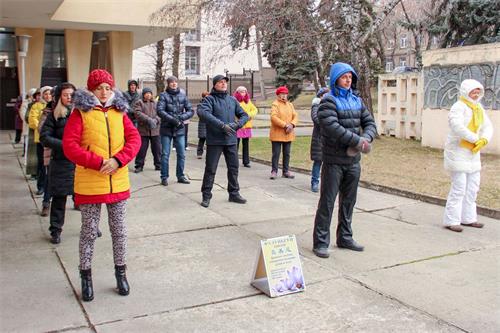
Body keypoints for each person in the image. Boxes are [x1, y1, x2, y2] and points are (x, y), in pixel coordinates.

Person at [62, 69, 141, 302]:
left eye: (108, 87)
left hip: (117, 182)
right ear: (91, 90)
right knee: (88, 232)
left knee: (119, 231)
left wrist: (118, 159)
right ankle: (86, 276)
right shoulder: (81, 113)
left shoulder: (120, 111)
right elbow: (70, 146)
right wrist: (98, 163)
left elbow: (134, 138)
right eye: (99, 88)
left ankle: (121, 273)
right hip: (90, 184)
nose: (104, 92)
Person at [312, 62, 377, 258]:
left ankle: (345, 237)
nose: (348, 80)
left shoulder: (357, 100)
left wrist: (366, 138)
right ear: (335, 79)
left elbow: (370, 122)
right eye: (344, 77)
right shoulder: (328, 101)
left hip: (353, 162)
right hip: (334, 161)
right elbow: (332, 127)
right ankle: (321, 242)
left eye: (350, 77)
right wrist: (358, 141)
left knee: (349, 202)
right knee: (328, 202)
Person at [442, 79, 493, 232]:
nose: (476, 94)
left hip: (473, 153)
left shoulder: (478, 108)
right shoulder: (458, 107)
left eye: (478, 91)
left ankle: (469, 218)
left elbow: (487, 126)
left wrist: (484, 139)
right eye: (473, 91)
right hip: (457, 152)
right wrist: (475, 138)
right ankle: (452, 220)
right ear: (466, 91)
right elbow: (457, 126)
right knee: (459, 187)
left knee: (472, 187)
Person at [197, 75, 249, 208]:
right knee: (210, 169)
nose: (223, 84)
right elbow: (203, 113)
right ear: (215, 85)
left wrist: (236, 126)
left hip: (231, 140)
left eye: (225, 82)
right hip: (215, 140)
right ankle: (206, 195)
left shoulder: (232, 100)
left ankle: (234, 193)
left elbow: (244, 115)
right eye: (220, 82)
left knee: (233, 168)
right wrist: (221, 125)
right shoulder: (209, 99)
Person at [40, 83, 76, 244]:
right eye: (65, 94)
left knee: (87, 197)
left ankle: (92, 226)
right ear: (59, 96)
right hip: (61, 161)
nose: (69, 97)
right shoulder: (53, 115)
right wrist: (65, 145)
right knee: (60, 198)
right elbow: (44, 137)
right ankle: (55, 230)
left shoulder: (82, 113)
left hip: (80, 162)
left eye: (71, 94)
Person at [157, 76, 193, 186]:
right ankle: (164, 176)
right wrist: (172, 119)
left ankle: (180, 175)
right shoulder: (163, 96)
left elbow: (190, 110)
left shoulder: (183, 96)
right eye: (171, 82)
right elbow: (160, 110)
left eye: (175, 82)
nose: (174, 84)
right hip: (166, 128)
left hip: (180, 129)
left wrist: (181, 118)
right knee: (165, 154)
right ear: (168, 84)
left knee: (181, 154)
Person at [269, 86, 298, 179]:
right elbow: (273, 117)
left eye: (285, 94)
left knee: (287, 153)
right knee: (276, 153)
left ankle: (286, 171)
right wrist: (285, 125)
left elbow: (295, 116)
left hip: (288, 133)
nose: (284, 96)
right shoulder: (275, 104)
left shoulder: (290, 105)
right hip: (277, 133)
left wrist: (292, 125)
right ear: (278, 95)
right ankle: (274, 171)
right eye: (282, 94)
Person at [29, 86, 52, 195]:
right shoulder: (36, 106)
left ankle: (50, 187)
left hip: (52, 139)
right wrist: (44, 128)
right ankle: (41, 186)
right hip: (41, 139)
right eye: (45, 94)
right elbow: (32, 121)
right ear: (42, 95)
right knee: (42, 164)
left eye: (49, 94)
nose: (48, 96)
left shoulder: (55, 106)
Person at [133, 87, 161, 173]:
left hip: (155, 130)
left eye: (150, 93)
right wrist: (148, 119)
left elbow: (160, 113)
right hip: (143, 130)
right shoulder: (139, 102)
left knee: (157, 149)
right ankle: (139, 165)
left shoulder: (156, 103)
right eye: (146, 93)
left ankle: (158, 164)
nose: (148, 95)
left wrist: (156, 120)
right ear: (143, 94)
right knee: (142, 149)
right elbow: (137, 113)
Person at [310, 87, 330, 192]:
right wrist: (328, 123)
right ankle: (315, 182)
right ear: (321, 96)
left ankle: (327, 183)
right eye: (325, 94)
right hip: (319, 138)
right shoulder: (316, 105)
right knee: (318, 161)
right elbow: (316, 118)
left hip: (329, 138)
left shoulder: (330, 105)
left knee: (329, 163)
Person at [234, 86, 258, 168]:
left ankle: (246, 161)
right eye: (241, 91)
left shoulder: (248, 101)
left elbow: (255, 110)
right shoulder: (235, 101)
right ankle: (234, 161)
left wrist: (248, 115)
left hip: (247, 126)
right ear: (238, 92)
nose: (243, 93)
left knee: (246, 144)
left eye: (244, 91)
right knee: (235, 144)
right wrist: (240, 117)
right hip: (238, 125)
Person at [25, 90, 41, 178]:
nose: (39, 97)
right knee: (33, 154)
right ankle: (33, 172)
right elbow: (27, 117)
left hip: (42, 132)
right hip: (33, 131)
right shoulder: (31, 105)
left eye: (40, 95)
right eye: (37, 95)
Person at [196, 91, 210, 159]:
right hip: (203, 124)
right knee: (202, 139)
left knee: (209, 140)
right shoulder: (200, 105)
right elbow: (199, 114)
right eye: (206, 96)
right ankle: (199, 153)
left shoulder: (211, 104)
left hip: (210, 124)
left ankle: (209, 154)